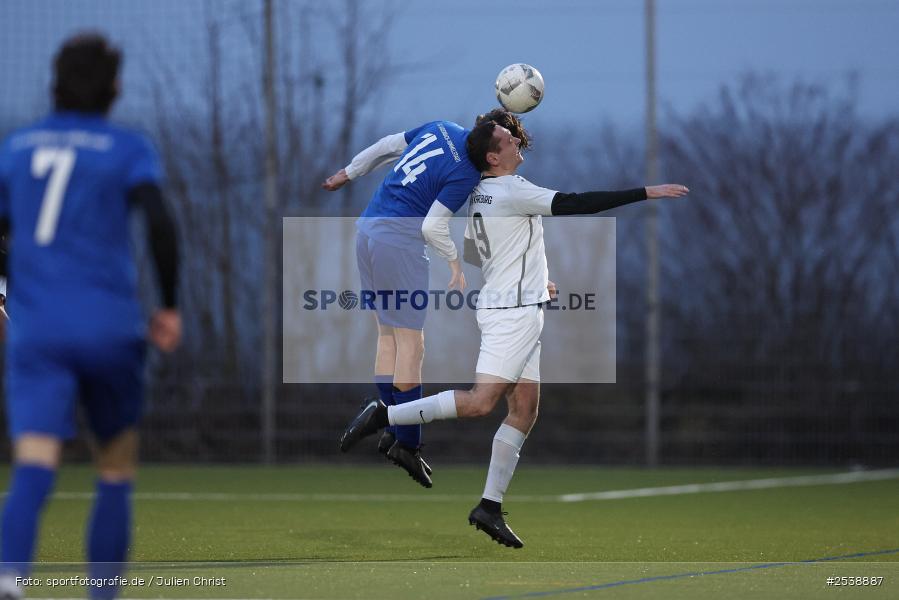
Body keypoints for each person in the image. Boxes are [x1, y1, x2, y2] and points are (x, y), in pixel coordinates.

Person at [339, 110, 688, 548]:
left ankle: (489, 506)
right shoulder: (513, 191)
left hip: (515, 304)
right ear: (494, 157)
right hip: (514, 313)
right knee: (482, 402)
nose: (516, 143)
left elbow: (473, 253)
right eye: (508, 140)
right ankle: (385, 416)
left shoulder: (480, 193)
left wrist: (532, 277)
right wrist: (646, 192)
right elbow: (577, 202)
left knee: (524, 408)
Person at [0, 33, 180, 599]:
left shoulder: (18, 148)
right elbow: (158, 221)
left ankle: (8, 578)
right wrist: (169, 305)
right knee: (115, 467)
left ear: (55, 82)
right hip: (109, 328)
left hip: (37, 334)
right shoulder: (126, 148)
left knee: (33, 463)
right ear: (114, 87)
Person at [322, 117, 490, 487]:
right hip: (398, 243)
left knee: (388, 339)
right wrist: (453, 262)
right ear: (489, 153)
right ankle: (405, 441)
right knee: (412, 345)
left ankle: (391, 425)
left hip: (367, 230)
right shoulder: (467, 173)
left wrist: (348, 172)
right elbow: (432, 226)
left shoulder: (442, 127)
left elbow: (387, 144)